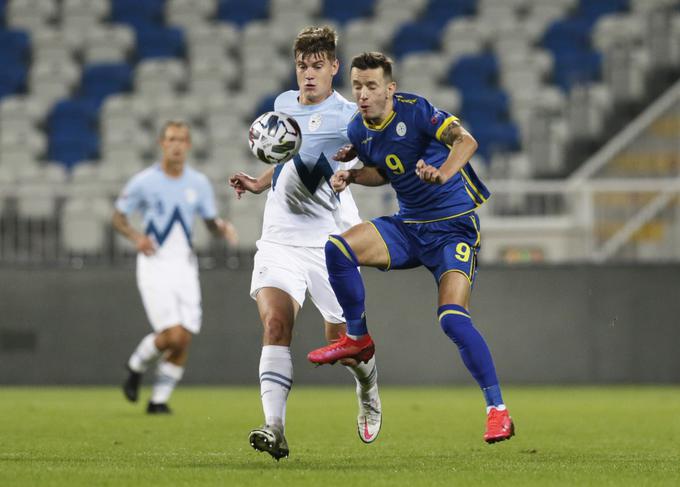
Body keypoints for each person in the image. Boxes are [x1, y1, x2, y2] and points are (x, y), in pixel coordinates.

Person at [307, 52, 515, 444]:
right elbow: (386, 170)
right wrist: (352, 174)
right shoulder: (359, 129)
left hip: (453, 229)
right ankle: (358, 338)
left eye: (371, 86)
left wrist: (442, 173)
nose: (363, 94)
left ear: (390, 89)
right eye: (357, 86)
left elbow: (466, 141)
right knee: (337, 249)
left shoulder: (416, 111)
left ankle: (497, 411)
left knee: (452, 318)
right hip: (409, 227)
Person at [229, 26, 382, 461]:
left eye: (317, 67)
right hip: (280, 239)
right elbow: (286, 161)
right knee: (276, 324)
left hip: (329, 243)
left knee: (343, 343)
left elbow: (375, 163)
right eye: (302, 67)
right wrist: (259, 183)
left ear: (334, 66)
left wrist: (351, 169)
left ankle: (368, 389)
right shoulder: (281, 106)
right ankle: (273, 427)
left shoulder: (353, 115)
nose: (308, 75)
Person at [114, 120, 237, 414]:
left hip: (184, 266)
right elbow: (118, 217)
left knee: (186, 335)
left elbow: (209, 221)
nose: (177, 145)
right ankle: (136, 365)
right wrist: (136, 237)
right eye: (171, 139)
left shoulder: (198, 183)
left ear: (189, 145)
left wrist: (221, 228)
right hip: (154, 263)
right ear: (162, 144)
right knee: (173, 335)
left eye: (182, 139)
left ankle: (158, 400)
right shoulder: (144, 181)